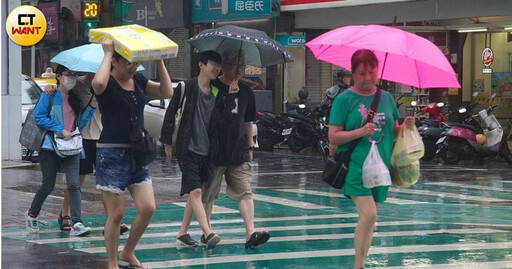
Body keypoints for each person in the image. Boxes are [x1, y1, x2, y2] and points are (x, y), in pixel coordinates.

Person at [327, 49, 415, 269]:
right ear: (353, 74)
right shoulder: (344, 100)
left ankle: (361, 262)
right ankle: (358, 265)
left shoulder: (386, 97)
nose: (368, 77)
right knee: (369, 214)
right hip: (355, 166)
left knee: (370, 219)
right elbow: (333, 136)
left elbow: (393, 131)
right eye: (362, 73)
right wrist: (360, 131)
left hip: (381, 167)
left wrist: (406, 127)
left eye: (372, 72)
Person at [91, 38, 174, 269]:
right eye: (126, 62)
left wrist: (159, 61)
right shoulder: (106, 82)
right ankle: (111, 262)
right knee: (116, 215)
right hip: (111, 154)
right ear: (115, 62)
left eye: (134, 62)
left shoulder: (138, 79)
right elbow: (97, 84)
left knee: (148, 207)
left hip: (136, 152)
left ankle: (128, 251)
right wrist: (107, 53)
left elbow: (166, 92)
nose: (132, 67)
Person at [44, 75, 129, 234]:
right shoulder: (78, 84)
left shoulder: (111, 83)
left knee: (107, 181)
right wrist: (50, 87)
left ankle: (111, 220)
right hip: (82, 138)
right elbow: (62, 94)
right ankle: (65, 214)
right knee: (76, 180)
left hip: (105, 138)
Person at [202, 51, 270, 248]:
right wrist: (229, 97)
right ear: (224, 66)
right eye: (234, 66)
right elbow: (210, 117)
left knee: (244, 191)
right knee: (209, 194)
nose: (239, 70)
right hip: (215, 150)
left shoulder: (247, 91)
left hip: (238, 149)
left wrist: (250, 145)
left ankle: (250, 233)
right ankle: (207, 231)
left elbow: (249, 121)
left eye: (242, 67)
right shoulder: (212, 87)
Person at [160, 51, 222, 249]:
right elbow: (171, 112)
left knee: (197, 192)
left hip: (207, 150)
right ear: (201, 65)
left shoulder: (216, 92)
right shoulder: (186, 87)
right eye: (213, 63)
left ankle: (182, 232)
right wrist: (167, 142)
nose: (217, 68)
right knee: (195, 191)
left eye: (219, 65)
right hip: (187, 147)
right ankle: (207, 231)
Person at [25, 64, 95, 237]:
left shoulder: (75, 98)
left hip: (72, 147)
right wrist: (59, 129)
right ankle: (32, 214)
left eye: (73, 74)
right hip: (50, 147)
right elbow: (40, 117)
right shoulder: (49, 95)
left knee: (74, 185)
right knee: (48, 185)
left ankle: (77, 222)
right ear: (58, 76)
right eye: (67, 74)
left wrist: (91, 108)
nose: (71, 78)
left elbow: (79, 122)